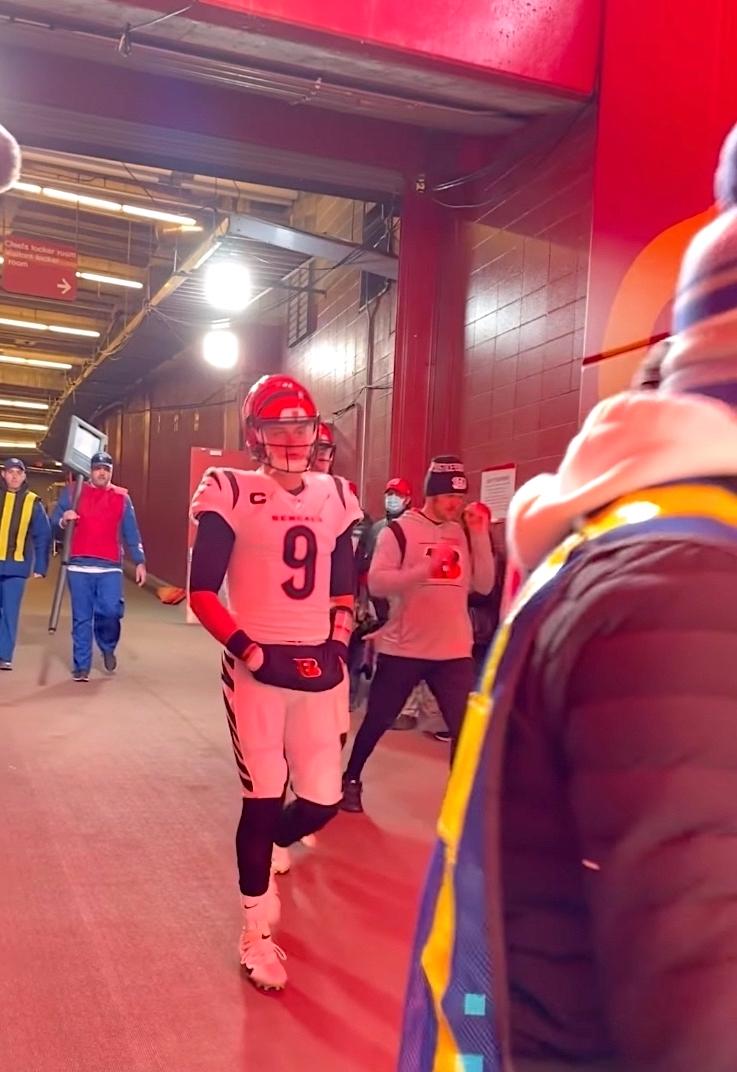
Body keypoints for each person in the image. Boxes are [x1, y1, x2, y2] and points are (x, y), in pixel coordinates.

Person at [400, 123, 737, 1072]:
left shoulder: (659, 547)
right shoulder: (685, 581)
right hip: (391, 647)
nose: (448, 499)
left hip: (448, 649)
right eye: (437, 491)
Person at [189, 374, 361, 992]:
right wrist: (247, 650)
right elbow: (202, 589)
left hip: (318, 663)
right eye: (278, 425)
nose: (291, 436)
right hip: (257, 664)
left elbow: (344, 581)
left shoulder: (336, 493)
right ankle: (255, 930)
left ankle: (273, 845)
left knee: (322, 800)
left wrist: (340, 642)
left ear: (315, 430)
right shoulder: (230, 488)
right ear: (255, 433)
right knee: (261, 797)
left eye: (300, 424)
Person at [341, 455, 495, 814]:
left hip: (453, 649)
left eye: (460, 497)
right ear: (431, 494)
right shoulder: (399, 531)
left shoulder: (460, 531)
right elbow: (378, 582)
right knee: (379, 718)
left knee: (465, 727)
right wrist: (424, 569)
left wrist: (481, 536)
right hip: (405, 647)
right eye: (448, 497)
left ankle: (460, 799)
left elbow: (484, 585)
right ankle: (351, 777)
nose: (455, 504)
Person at [52, 452, 146, 682]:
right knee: (81, 618)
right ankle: (81, 666)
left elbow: (131, 532)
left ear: (111, 472)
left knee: (111, 611)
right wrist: (64, 519)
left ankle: (107, 646)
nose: (102, 472)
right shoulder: (73, 492)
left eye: (106, 469)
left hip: (110, 566)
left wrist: (140, 560)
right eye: (98, 468)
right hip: (78, 566)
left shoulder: (122, 497)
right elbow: (54, 523)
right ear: (90, 471)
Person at [0, 458, 51, 670]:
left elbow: (43, 536)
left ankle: (4, 656)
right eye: (10, 472)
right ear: (3, 474)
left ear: (24, 476)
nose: (14, 476)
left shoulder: (33, 502)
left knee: (10, 612)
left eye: (18, 473)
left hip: (16, 567)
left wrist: (41, 566)